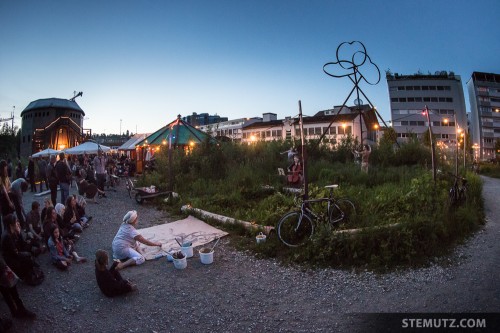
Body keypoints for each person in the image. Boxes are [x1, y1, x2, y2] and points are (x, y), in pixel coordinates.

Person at [0, 214, 43, 285]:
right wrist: (27, 254)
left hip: (15, 253)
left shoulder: (11, 231)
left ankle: (32, 266)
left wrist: (19, 233)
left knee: (29, 242)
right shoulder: (7, 236)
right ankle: (28, 274)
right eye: (15, 221)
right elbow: (15, 253)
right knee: (27, 256)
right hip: (11, 259)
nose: (17, 223)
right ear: (11, 224)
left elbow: (21, 243)